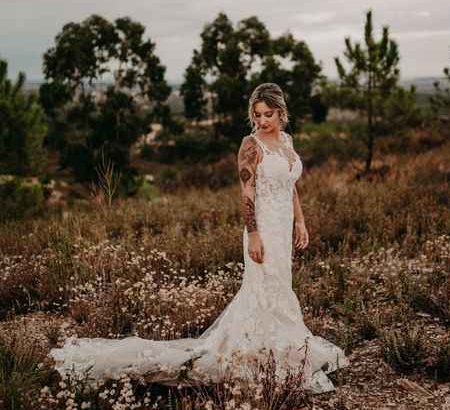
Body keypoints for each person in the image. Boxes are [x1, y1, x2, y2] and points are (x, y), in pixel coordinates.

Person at [50, 83, 349, 392]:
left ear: (281, 113)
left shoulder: (286, 141)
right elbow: (247, 194)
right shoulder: (250, 145)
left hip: (283, 228)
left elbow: (290, 185)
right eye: (257, 115)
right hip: (262, 231)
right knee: (263, 290)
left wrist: (300, 221)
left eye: (268, 115)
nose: (262, 121)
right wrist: (254, 234)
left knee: (280, 288)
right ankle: (257, 354)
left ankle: (278, 348)